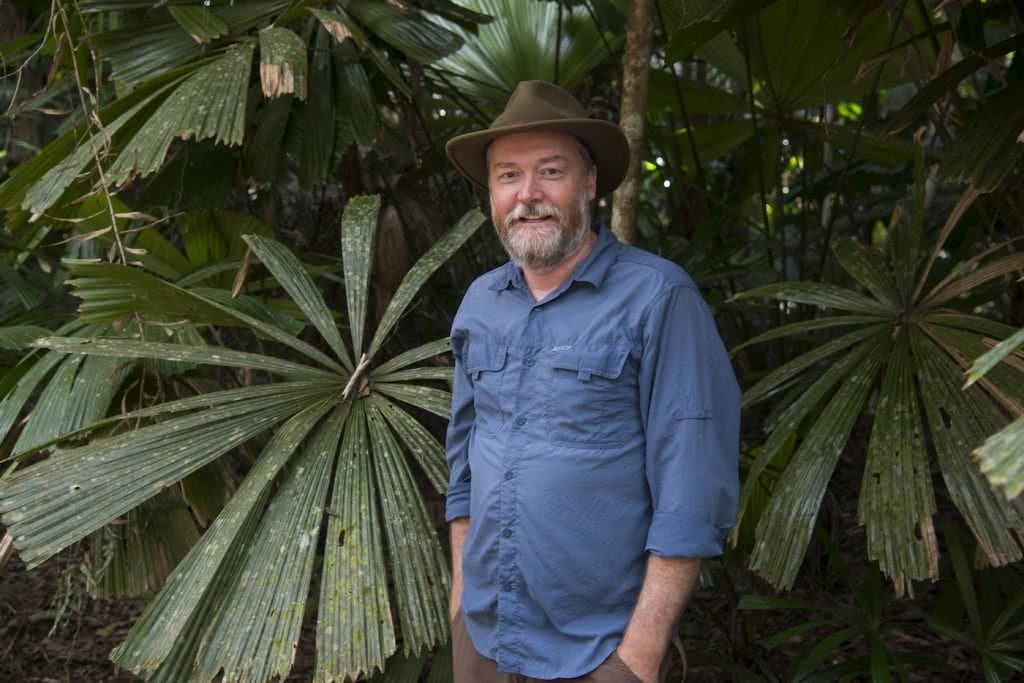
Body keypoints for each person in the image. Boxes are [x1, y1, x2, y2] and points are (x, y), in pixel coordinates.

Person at [443, 80, 740, 683]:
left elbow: (693, 493)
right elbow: (464, 471)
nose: (528, 195)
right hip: (485, 635)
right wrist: (460, 605)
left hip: (600, 651)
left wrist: (639, 656)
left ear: (590, 184)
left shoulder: (659, 299)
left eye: (550, 171)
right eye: (507, 176)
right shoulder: (480, 303)